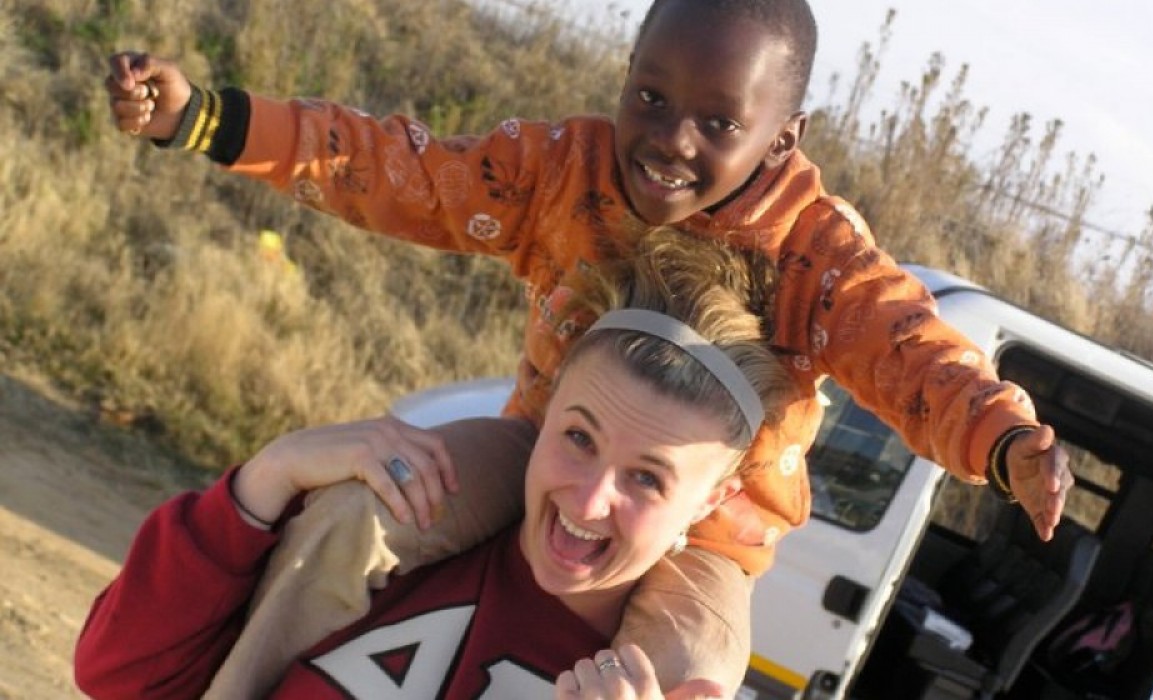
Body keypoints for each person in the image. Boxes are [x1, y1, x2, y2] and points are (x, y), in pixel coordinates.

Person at [102, 0, 1074, 693]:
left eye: (719, 122)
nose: (670, 140)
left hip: (712, 539)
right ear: (626, 77)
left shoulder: (820, 255)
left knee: (689, 677)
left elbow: (915, 353)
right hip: (540, 447)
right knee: (363, 509)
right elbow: (400, 172)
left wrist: (1003, 438)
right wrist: (213, 121)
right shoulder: (559, 170)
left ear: (785, 137)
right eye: (650, 98)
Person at [75, 228, 794, 699]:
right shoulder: (381, 548)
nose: (589, 497)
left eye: (647, 477)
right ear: (544, 419)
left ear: (709, 501)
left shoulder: (644, 686)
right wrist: (271, 475)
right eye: (579, 438)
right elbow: (116, 674)